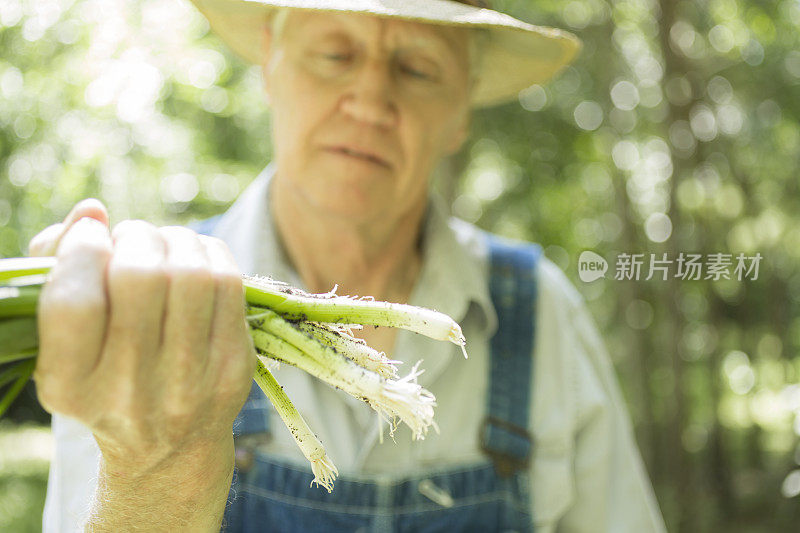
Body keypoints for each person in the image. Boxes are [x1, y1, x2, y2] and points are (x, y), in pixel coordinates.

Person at [32, 0, 667, 531]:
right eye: (336, 53)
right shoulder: (150, 310)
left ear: (460, 112)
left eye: (417, 68)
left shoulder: (538, 311)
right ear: (270, 66)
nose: (369, 100)